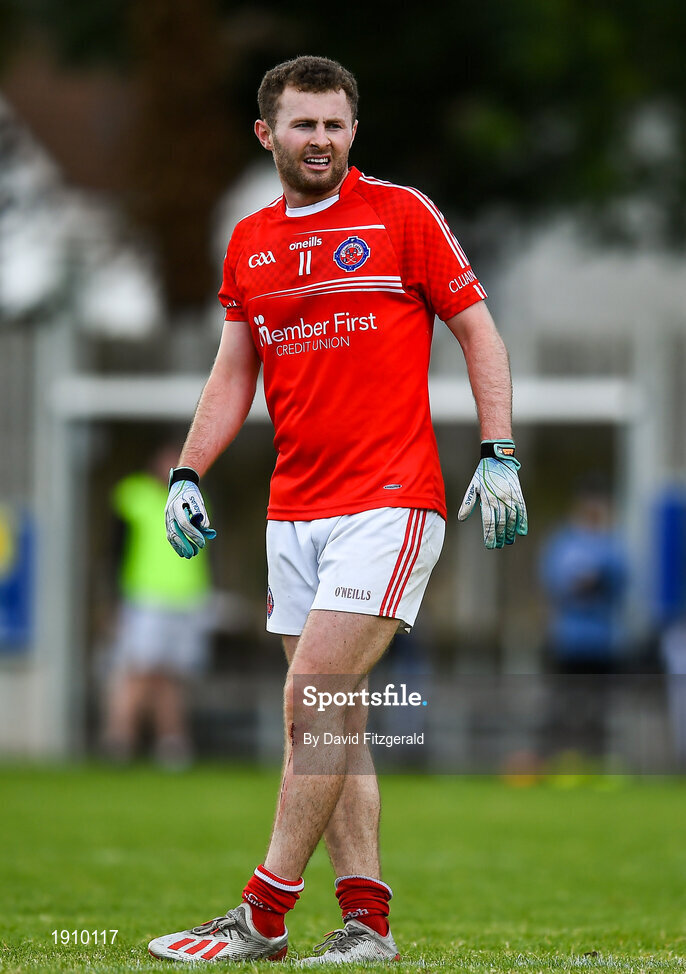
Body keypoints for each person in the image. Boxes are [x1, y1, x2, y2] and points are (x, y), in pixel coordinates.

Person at [149, 55, 527, 964]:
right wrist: (190, 470)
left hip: (389, 502)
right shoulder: (249, 242)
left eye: (334, 124)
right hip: (294, 512)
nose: (319, 139)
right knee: (337, 719)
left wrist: (499, 448)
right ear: (267, 134)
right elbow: (235, 369)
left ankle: (261, 916)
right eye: (302, 123)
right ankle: (367, 926)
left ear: (353, 131)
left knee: (310, 695)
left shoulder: (402, 215)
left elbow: (478, 328)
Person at [102, 442, 213, 769]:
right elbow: (115, 549)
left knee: (171, 674)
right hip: (145, 597)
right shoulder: (133, 496)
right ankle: (119, 741)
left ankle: (172, 744)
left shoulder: (194, 503)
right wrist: (112, 599)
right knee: (137, 669)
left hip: (186, 598)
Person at [539, 475, 628, 760]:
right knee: (565, 705)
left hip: (602, 642)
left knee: (599, 708)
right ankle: (563, 760)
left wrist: (600, 579)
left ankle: (597, 760)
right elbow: (553, 582)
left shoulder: (611, 544)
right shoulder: (564, 542)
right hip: (568, 640)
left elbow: (622, 581)